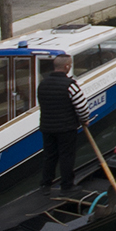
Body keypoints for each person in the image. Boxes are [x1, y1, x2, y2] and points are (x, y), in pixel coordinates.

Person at [37, 54, 90, 194]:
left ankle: (45, 185)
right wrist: (84, 119)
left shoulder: (42, 84)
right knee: (66, 156)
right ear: (66, 66)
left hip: (47, 127)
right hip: (66, 128)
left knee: (50, 155)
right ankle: (67, 186)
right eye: (70, 65)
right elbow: (81, 107)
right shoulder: (70, 86)